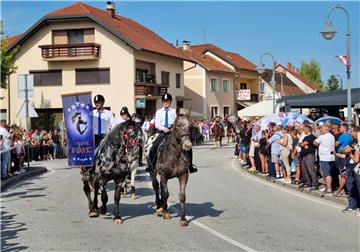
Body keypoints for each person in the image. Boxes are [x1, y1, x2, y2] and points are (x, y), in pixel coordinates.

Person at [146, 93, 197, 173]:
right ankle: (151, 165)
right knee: (154, 146)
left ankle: (190, 166)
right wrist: (163, 128)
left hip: (173, 133)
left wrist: (172, 128)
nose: (166, 103)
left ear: (170, 102)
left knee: (188, 147)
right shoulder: (159, 112)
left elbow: (178, 122)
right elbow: (157, 124)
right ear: (162, 102)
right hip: (162, 132)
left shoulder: (174, 112)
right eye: (164, 101)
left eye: (168, 101)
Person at [314, 125, 335, 195]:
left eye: (322, 129)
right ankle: (328, 186)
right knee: (326, 172)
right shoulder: (332, 136)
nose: (320, 130)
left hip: (325, 157)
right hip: (331, 157)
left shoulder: (322, 137)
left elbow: (315, 143)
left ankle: (329, 189)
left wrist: (318, 138)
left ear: (326, 129)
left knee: (326, 173)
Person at [299, 125, 318, 189]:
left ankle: (315, 184)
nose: (303, 131)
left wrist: (303, 144)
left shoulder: (312, 137)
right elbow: (300, 144)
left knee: (311, 170)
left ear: (307, 130)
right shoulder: (305, 137)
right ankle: (308, 183)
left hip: (310, 155)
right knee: (305, 171)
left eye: (304, 129)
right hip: (304, 155)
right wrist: (303, 145)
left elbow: (302, 144)